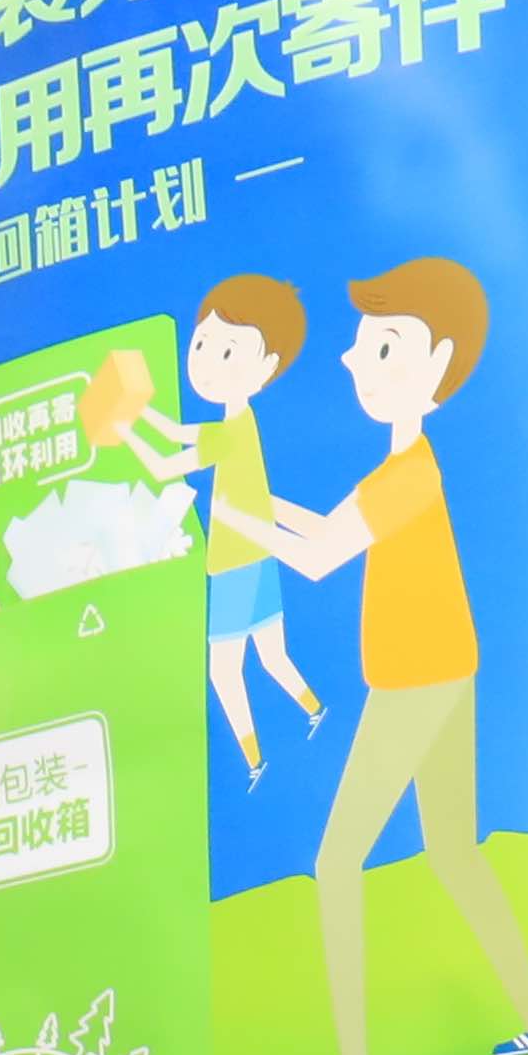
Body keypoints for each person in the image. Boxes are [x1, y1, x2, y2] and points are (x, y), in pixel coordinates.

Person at [247, 253, 528, 1055]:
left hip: (416, 683)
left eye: (382, 347)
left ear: (436, 370)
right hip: (443, 673)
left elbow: (316, 558)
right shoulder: (402, 473)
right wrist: (253, 502)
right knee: (453, 850)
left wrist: (236, 517)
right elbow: (324, 527)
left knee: (336, 861)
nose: (353, 359)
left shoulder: (408, 475)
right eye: (361, 345)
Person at [164, 275, 330, 779]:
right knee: (272, 656)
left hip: (236, 566)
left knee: (224, 672)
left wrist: (128, 432)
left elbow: (169, 459)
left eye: (228, 351)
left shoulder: (233, 432)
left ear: (265, 369)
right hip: (256, 560)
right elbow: (178, 434)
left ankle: (255, 759)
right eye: (201, 344)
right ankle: (313, 710)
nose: (207, 361)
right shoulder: (240, 424)